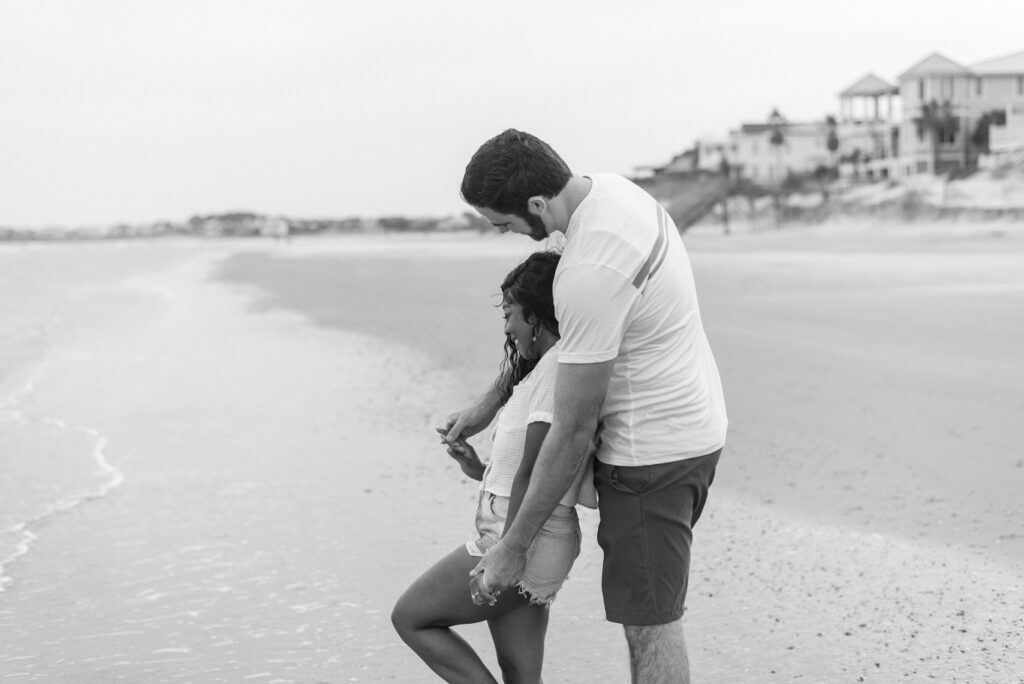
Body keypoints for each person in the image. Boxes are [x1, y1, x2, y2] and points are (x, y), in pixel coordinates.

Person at [444, 129, 728, 683]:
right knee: (651, 610)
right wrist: (489, 401)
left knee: (650, 623)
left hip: (651, 455)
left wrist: (511, 548)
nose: (506, 235)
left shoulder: (590, 270)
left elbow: (572, 432)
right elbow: (554, 337)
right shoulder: (615, 194)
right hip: (692, 425)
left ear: (536, 204)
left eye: (502, 223)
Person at [392, 251, 597, 684]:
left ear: (537, 315)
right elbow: (523, 467)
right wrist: (477, 468)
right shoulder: (547, 370)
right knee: (522, 677)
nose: (506, 327)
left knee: (411, 617)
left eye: (510, 314)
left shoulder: (557, 370)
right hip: (534, 531)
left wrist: (509, 550)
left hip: (522, 537)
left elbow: (536, 471)